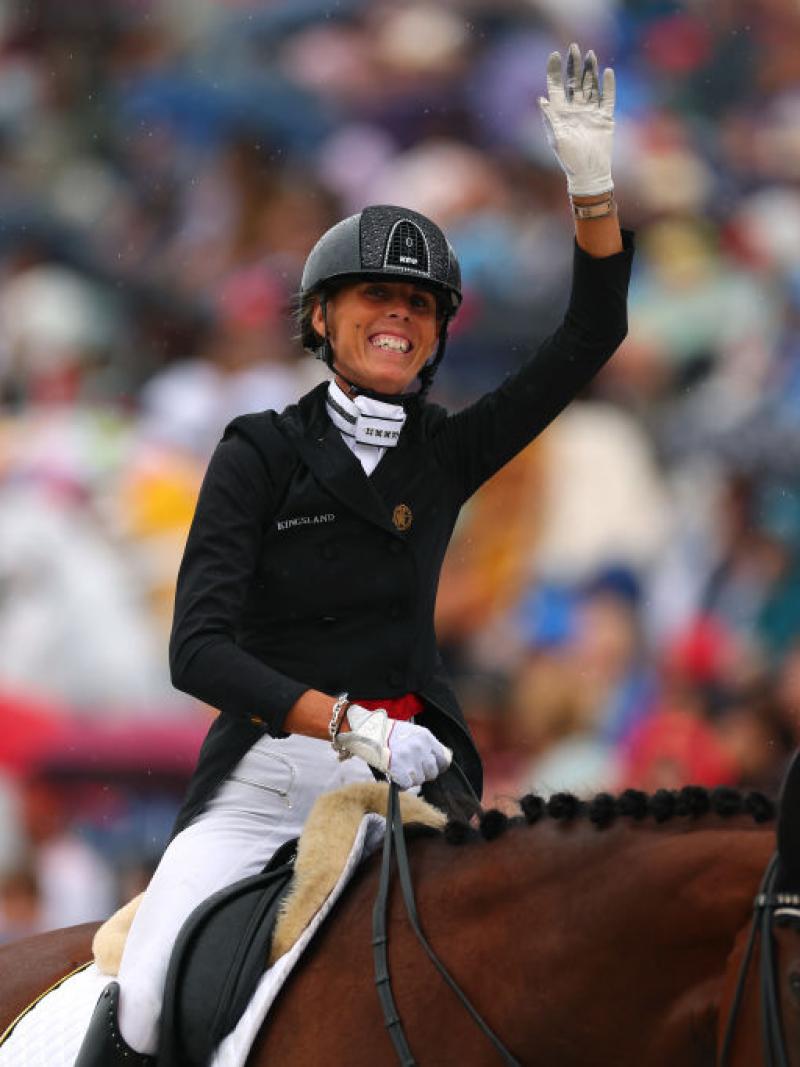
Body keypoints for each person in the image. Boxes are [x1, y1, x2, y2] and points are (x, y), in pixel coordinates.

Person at [75, 42, 634, 1065]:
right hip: (266, 772)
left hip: (414, 783)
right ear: (321, 317)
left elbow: (588, 334)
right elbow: (195, 651)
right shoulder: (259, 451)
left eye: (418, 304)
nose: (398, 314)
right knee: (150, 994)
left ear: (433, 335)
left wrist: (589, 189)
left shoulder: (445, 451)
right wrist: (344, 724)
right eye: (376, 295)